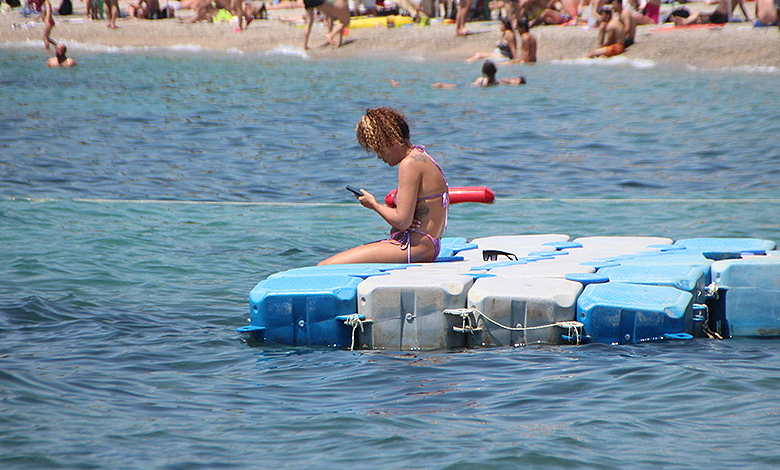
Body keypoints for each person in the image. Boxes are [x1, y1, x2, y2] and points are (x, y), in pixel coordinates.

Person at [318, 107, 449, 265]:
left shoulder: (409, 164)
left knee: (325, 265)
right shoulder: (422, 155)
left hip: (415, 248)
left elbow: (402, 221)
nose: (379, 156)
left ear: (391, 141)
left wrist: (374, 204)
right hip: (427, 246)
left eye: (379, 149)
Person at [671, 0, 750, 25]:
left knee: (698, 12)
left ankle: (685, 21)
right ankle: (685, 21)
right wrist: (747, 18)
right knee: (703, 18)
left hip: (720, 15)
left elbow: (742, 8)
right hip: (723, 16)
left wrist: (748, 18)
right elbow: (742, 8)